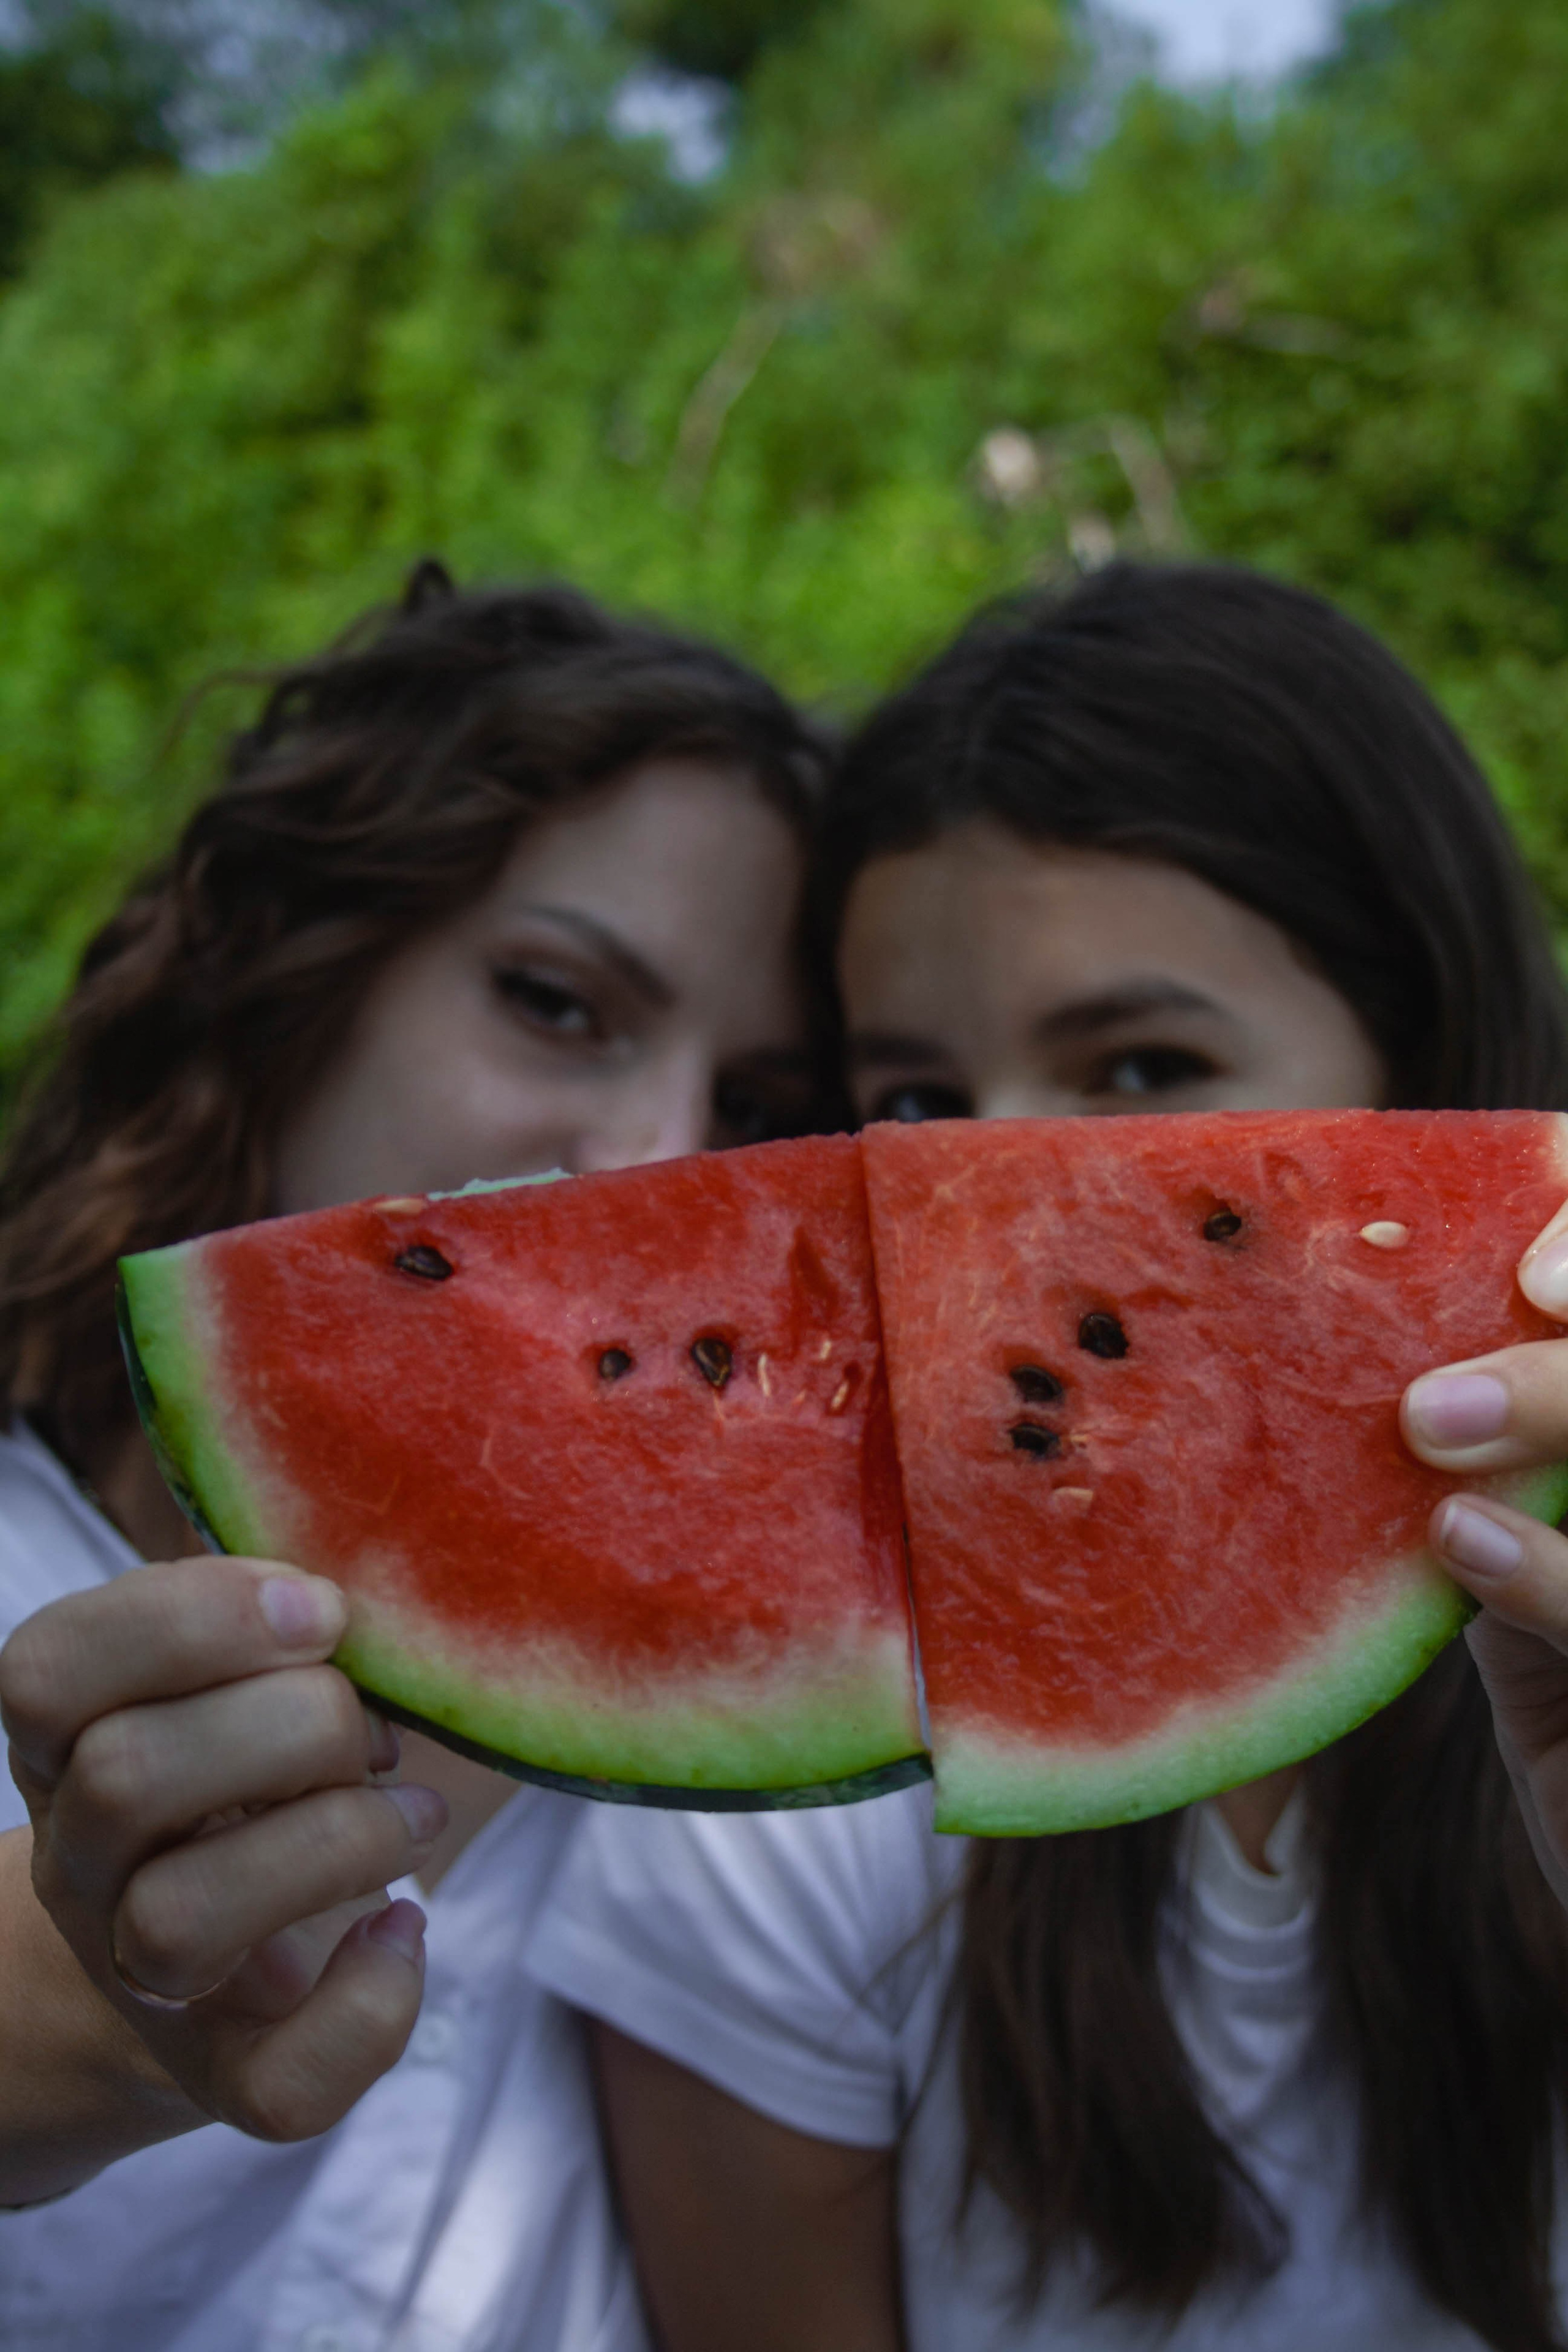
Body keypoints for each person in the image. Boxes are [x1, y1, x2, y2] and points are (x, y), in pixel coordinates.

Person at [527, 562, 1568, 2352]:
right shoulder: (785, 1837)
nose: (991, 1211)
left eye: (1141, 1064)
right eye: (919, 1104)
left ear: (1429, 1077)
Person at [0, 557, 827, 2350]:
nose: (663, 1162)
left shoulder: (835, 1781)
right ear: (286, 976)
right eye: (556, 1000)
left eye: (760, 1114)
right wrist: (76, 2008)